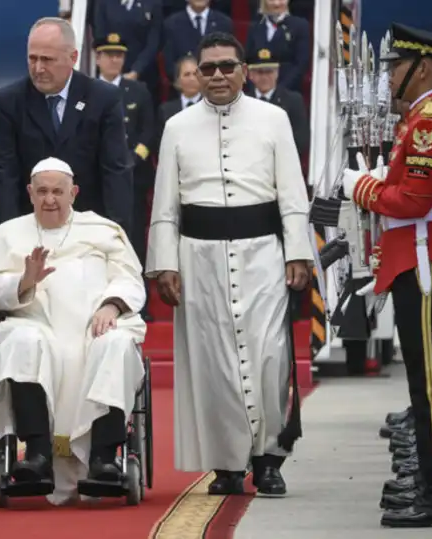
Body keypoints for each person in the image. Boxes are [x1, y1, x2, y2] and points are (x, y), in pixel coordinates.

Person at [147, 32, 312, 496]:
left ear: (243, 69)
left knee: (269, 357)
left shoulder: (274, 118)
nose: (217, 75)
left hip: (263, 253)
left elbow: (292, 193)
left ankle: (268, 460)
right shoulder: (177, 127)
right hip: (198, 258)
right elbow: (165, 204)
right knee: (214, 365)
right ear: (195, 75)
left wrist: (298, 251)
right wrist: (164, 263)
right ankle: (226, 466)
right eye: (208, 68)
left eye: (226, 66)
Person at [341, 23, 432, 528]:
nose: (389, 75)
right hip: (423, 256)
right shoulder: (428, 116)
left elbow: (412, 200)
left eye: (397, 67)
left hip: (427, 261)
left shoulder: (430, 122)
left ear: (425, 68)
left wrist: (360, 187)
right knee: (431, 380)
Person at [0, 157, 146, 506]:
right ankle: (38, 455)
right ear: (29, 192)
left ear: (74, 192)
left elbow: (129, 279)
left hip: (95, 327)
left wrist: (111, 305)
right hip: (34, 324)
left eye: (58, 191)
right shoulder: (7, 233)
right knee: (22, 341)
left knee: (115, 344)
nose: (50, 199)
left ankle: (103, 458)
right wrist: (24, 281)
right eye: (42, 191)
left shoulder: (103, 230)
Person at [0, 17, 133, 235]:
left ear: (73, 58)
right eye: (33, 59)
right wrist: (9, 234)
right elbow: (4, 174)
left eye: (47, 59)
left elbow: (115, 171)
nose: (38, 68)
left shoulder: (103, 99)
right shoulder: (9, 101)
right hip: (30, 229)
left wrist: (115, 233)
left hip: (90, 228)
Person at [95, 34, 156, 319]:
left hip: (132, 178)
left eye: (118, 55)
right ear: (97, 58)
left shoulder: (137, 90)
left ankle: (138, 302)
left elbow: (148, 130)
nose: (114, 60)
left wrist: (136, 157)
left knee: (133, 239)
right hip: (98, 179)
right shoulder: (88, 90)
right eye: (108, 55)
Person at [92, 0, 163, 104]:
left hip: (144, 74)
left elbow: (153, 42)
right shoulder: (103, 3)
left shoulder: (152, 3)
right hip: (111, 72)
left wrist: (136, 70)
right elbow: (100, 36)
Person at [244, 48, 309, 157]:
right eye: (259, 72)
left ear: (277, 73)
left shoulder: (293, 101)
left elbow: (301, 141)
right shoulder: (243, 101)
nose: (264, 77)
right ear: (250, 75)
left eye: (269, 71)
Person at [245, 0, 310, 93]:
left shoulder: (300, 26)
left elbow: (301, 64)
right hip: (257, 93)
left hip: (287, 91)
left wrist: (279, 90)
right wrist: (255, 89)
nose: (276, 4)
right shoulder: (255, 27)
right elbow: (247, 61)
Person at [162, 0, 234, 84]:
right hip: (184, 88)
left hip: (216, 85)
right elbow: (170, 65)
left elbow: (228, 59)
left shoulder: (224, 23)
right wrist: (190, 79)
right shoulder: (171, 24)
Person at [158, 55, 202, 145]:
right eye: (187, 74)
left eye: (195, 74)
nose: (192, 79)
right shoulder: (166, 111)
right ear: (178, 81)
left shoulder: (212, 107)